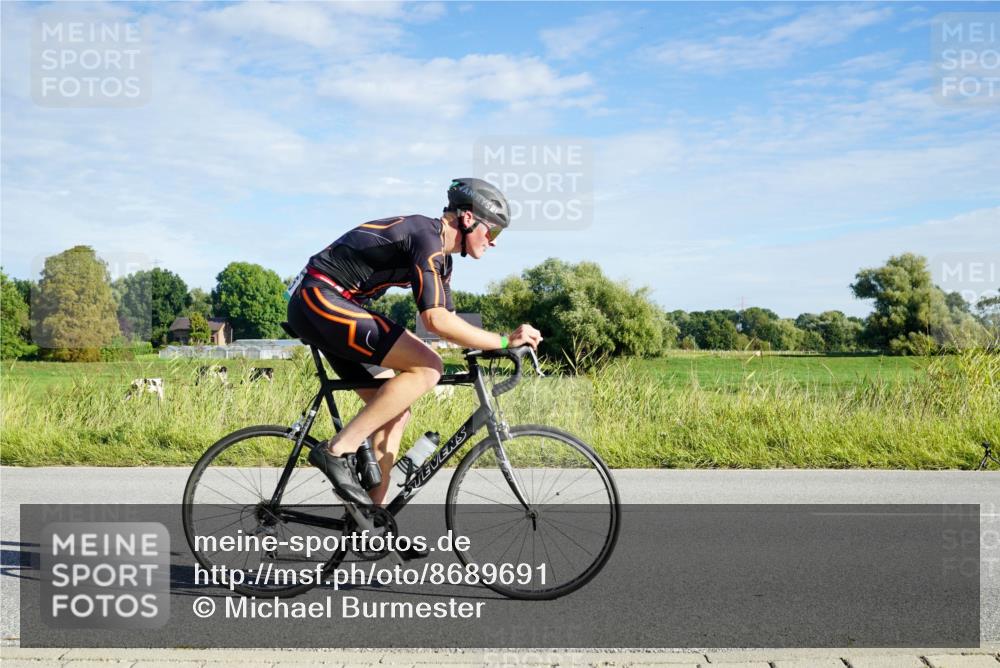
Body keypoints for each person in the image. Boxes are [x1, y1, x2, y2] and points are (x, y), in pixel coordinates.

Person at [286, 178, 543, 511]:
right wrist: (505, 340)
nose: (493, 243)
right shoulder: (426, 238)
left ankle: (369, 520)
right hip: (318, 298)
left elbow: (446, 322)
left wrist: (496, 344)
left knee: (394, 411)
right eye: (492, 232)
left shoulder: (441, 260)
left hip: (331, 305)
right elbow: (435, 320)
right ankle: (336, 450)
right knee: (429, 366)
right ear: (467, 219)